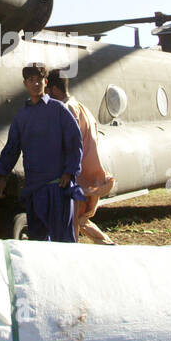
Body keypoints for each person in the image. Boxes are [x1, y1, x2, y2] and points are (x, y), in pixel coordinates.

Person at [0, 62, 83, 243]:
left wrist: (69, 171)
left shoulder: (59, 110)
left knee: (63, 242)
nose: (35, 84)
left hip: (57, 187)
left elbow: (75, 142)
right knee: (37, 241)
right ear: (25, 84)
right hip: (34, 190)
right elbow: (12, 148)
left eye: (39, 80)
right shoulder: (21, 117)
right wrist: (2, 176)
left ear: (46, 82)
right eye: (31, 80)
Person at [46, 70, 116, 245]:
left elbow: (66, 145)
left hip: (76, 175)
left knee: (72, 222)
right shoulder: (81, 107)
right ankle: (107, 245)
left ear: (54, 89)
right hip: (88, 174)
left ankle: (100, 247)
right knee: (79, 219)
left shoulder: (66, 110)